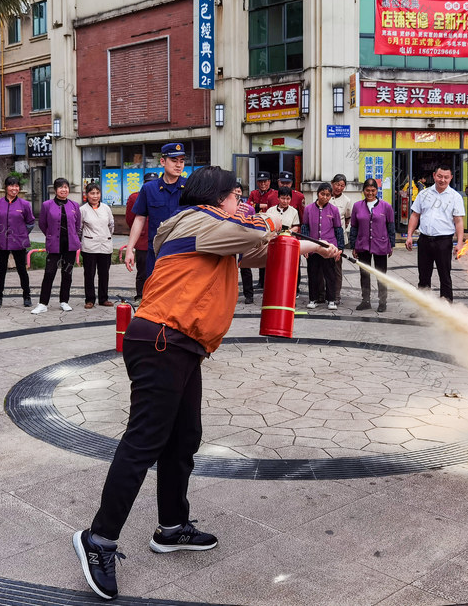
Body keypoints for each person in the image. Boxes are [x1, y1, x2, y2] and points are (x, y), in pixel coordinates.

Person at [72, 166, 339, 601]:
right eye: (236, 195)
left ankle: (172, 526)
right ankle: (98, 539)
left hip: (180, 343)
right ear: (216, 198)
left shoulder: (211, 233)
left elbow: (258, 252)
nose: (241, 202)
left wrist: (308, 247)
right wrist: (277, 218)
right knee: (144, 441)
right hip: (163, 339)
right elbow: (254, 233)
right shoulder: (198, 222)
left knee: (183, 439)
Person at [125, 143, 187, 279]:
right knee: (156, 293)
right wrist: (130, 248)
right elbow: (139, 219)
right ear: (163, 161)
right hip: (156, 253)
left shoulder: (189, 187)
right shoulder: (149, 189)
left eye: (182, 161)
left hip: (182, 253)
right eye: (174, 160)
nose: (179, 165)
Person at [406, 162, 464, 302]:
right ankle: (424, 308)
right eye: (439, 176)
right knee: (423, 276)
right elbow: (415, 215)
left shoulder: (455, 197)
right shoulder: (424, 194)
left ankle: (445, 307)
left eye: (446, 177)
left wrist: (460, 243)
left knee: (445, 275)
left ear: (450, 178)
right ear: (434, 176)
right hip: (424, 240)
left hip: (443, 241)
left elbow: (458, 221)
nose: (442, 180)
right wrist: (409, 236)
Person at [33, 178, 82, 314]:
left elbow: (77, 225)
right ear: (55, 190)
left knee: (67, 273)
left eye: (66, 187)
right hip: (54, 245)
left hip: (70, 245)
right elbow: (43, 224)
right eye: (60, 187)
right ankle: (43, 303)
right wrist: (50, 235)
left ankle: (64, 301)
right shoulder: (47, 205)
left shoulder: (74, 205)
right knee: (49, 273)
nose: (64, 190)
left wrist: (74, 237)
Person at [0, 175, 36, 308]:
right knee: (1, 270)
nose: (14, 188)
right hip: (2, 241)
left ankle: (27, 296)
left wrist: (22, 234)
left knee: (22, 269)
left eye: (16, 186)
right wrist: (0, 231)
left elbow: (30, 222)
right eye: (11, 185)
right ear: (6, 187)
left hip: (19, 242)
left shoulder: (25, 204)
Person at [349, 178, 395, 312]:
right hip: (362, 244)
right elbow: (354, 227)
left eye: (373, 190)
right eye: (367, 190)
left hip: (380, 245)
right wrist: (353, 245)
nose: (370, 193)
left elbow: (390, 226)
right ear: (363, 191)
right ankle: (366, 300)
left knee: (381, 274)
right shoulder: (357, 206)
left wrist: (391, 244)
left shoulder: (386, 206)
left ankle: (382, 301)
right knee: (364, 274)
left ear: (377, 191)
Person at [301, 182, 344, 311]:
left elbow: (338, 229)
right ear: (318, 193)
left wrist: (339, 248)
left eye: (328, 195)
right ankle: (313, 299)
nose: (325, 197)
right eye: (322, 194)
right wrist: (305, 247)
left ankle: (331, 300)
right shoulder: (308, 209)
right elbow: (305, 228)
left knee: (330, 274)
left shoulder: (334, 210)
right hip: (313, 248)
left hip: (329, 247)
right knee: (313, 273)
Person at [80, 183, 114, 309]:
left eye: (97, 193)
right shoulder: (82, 210)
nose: (95, 196)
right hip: (89, 246)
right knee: (89, 273)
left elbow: (111, 225)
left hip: (105, 244)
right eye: (92, 193)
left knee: (104, 273)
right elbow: (79, 228)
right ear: (87, 195)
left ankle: (103, 298)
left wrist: (106, 236)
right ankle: (90, 299)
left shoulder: (106, 208)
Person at [124, 172, 156, 302]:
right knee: (142, 270)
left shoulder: (159, 194)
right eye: (148, 182)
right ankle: (140, 295)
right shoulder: (135, 197)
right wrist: (140, 231)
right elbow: (130, 219)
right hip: (142, 240)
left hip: (157, 239)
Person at [247, 171, 277, 290]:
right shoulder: (253, 193)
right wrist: (262, 205)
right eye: (260, 181)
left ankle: (268, 280)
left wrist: (257, 205)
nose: (263, 184)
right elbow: (249, 206)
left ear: (269, 182)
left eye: (265, 181)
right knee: (260, 252)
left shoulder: (274, 193)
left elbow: (272, 207)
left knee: (270, 254)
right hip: (258, 226)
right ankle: (261, 280)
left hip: (270, 226)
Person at [272, 186, 302, 293]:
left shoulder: (293, 211)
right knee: (276, 267)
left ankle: (293, 289)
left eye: (288, 199)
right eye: (283, 198)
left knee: (290, 267)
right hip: (274, 243)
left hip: (288, 243)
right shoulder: (271, 210)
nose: (285, 201)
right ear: (278, 198)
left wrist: (289, 231)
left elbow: (296, 227)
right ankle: (276, 288)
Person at [328, 173, 352, 303]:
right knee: (323, 267)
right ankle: (323, 294)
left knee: (337, 267)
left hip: (338, 238)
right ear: (332, 183)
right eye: (337, 184)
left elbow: (347, 218)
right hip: (324, 236)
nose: (339, 187)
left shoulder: (347, 200)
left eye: (342, 185)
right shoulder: (325, 195)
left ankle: (336, 296)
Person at [232, 181, 254, 304]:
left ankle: (249, 295)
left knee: (245, 269)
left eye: (239, 191)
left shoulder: (249, 209)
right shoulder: (227, 207)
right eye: (234, 192)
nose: (237, 194)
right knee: (230, 270)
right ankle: (231, 294)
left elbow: (253, 224)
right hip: (231, 241)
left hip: (244, 242)